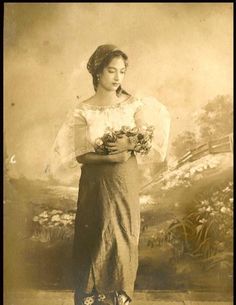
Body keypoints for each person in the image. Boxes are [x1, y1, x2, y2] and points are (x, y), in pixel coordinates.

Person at [67, 44, 171, 305]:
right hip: (95, 181)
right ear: (97, 73)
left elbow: (146, 137)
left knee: (123, 232)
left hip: (124, 179)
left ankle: (120, 297)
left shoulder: (132, 104)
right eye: (111, 71)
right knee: (95, 233)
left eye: (122, 72)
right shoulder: (83, 109)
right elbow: (81, 154)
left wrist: (129, 144)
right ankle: (90, 297)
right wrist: (113, 156)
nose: (117, 77)